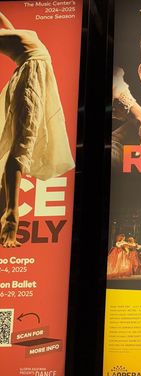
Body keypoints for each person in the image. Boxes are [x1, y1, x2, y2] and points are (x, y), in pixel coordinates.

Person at [0, 13, 75, 247]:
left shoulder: (8, 34)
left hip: (37, 74)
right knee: (22, 143)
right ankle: (11, 214)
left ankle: (6, 211)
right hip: (30, 76)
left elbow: (6, 23)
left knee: (22, 141)